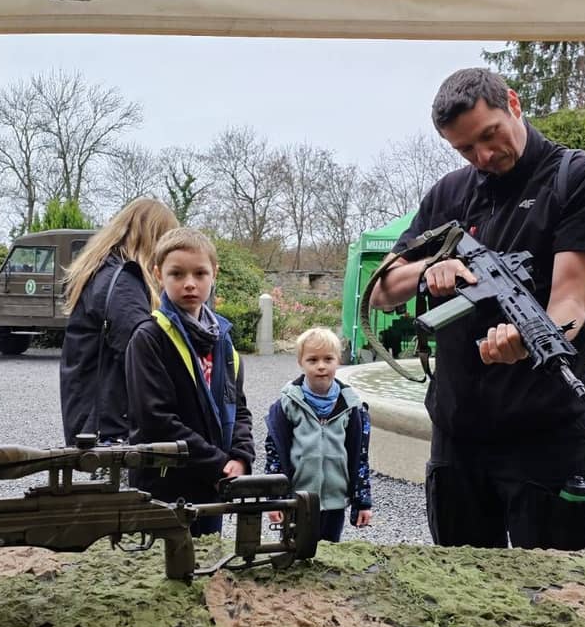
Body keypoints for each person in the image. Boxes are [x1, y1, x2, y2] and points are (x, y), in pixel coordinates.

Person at [369, 67, 585, 552]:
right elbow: (381, 289)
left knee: (558, 587)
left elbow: (571, 302)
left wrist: (527, 341)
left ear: (514, 104)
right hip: (457, 432)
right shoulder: (449, 193)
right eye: (465, 149)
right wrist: (431, 268)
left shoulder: (579, 180)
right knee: (460, 584)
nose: (483, 156)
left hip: (544, 432)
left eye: (490, 135)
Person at [124, 227, 253, 536]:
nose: (190, 283)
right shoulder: (149, 338)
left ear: (214, 273)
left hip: (212, 486)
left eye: (200, 273)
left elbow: (238, 408)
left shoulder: (223, 341)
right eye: (177, 274)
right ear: (159, 274)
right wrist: (218, 463)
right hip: (165, 488)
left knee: (209, 559)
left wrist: (241, 456)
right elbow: (155, 420)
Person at [58, 198, 179, 444]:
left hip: (91, 419)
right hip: (113, 429)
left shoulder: (100, 272)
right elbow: (142, 352)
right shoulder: (123, 282)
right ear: (154, 239)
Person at [264, 327, 372, 542]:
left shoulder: (351, 407)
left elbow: (360, 457)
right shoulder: (288, 404)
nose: (321, 366)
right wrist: (274, 499)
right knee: (294, 549)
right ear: (300, 362)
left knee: (328, 552)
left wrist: (362, 502)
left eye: (328, 359)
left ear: (338, 360)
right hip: (297, 499)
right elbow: (275, 454)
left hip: (334, 501)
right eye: (312, 360)